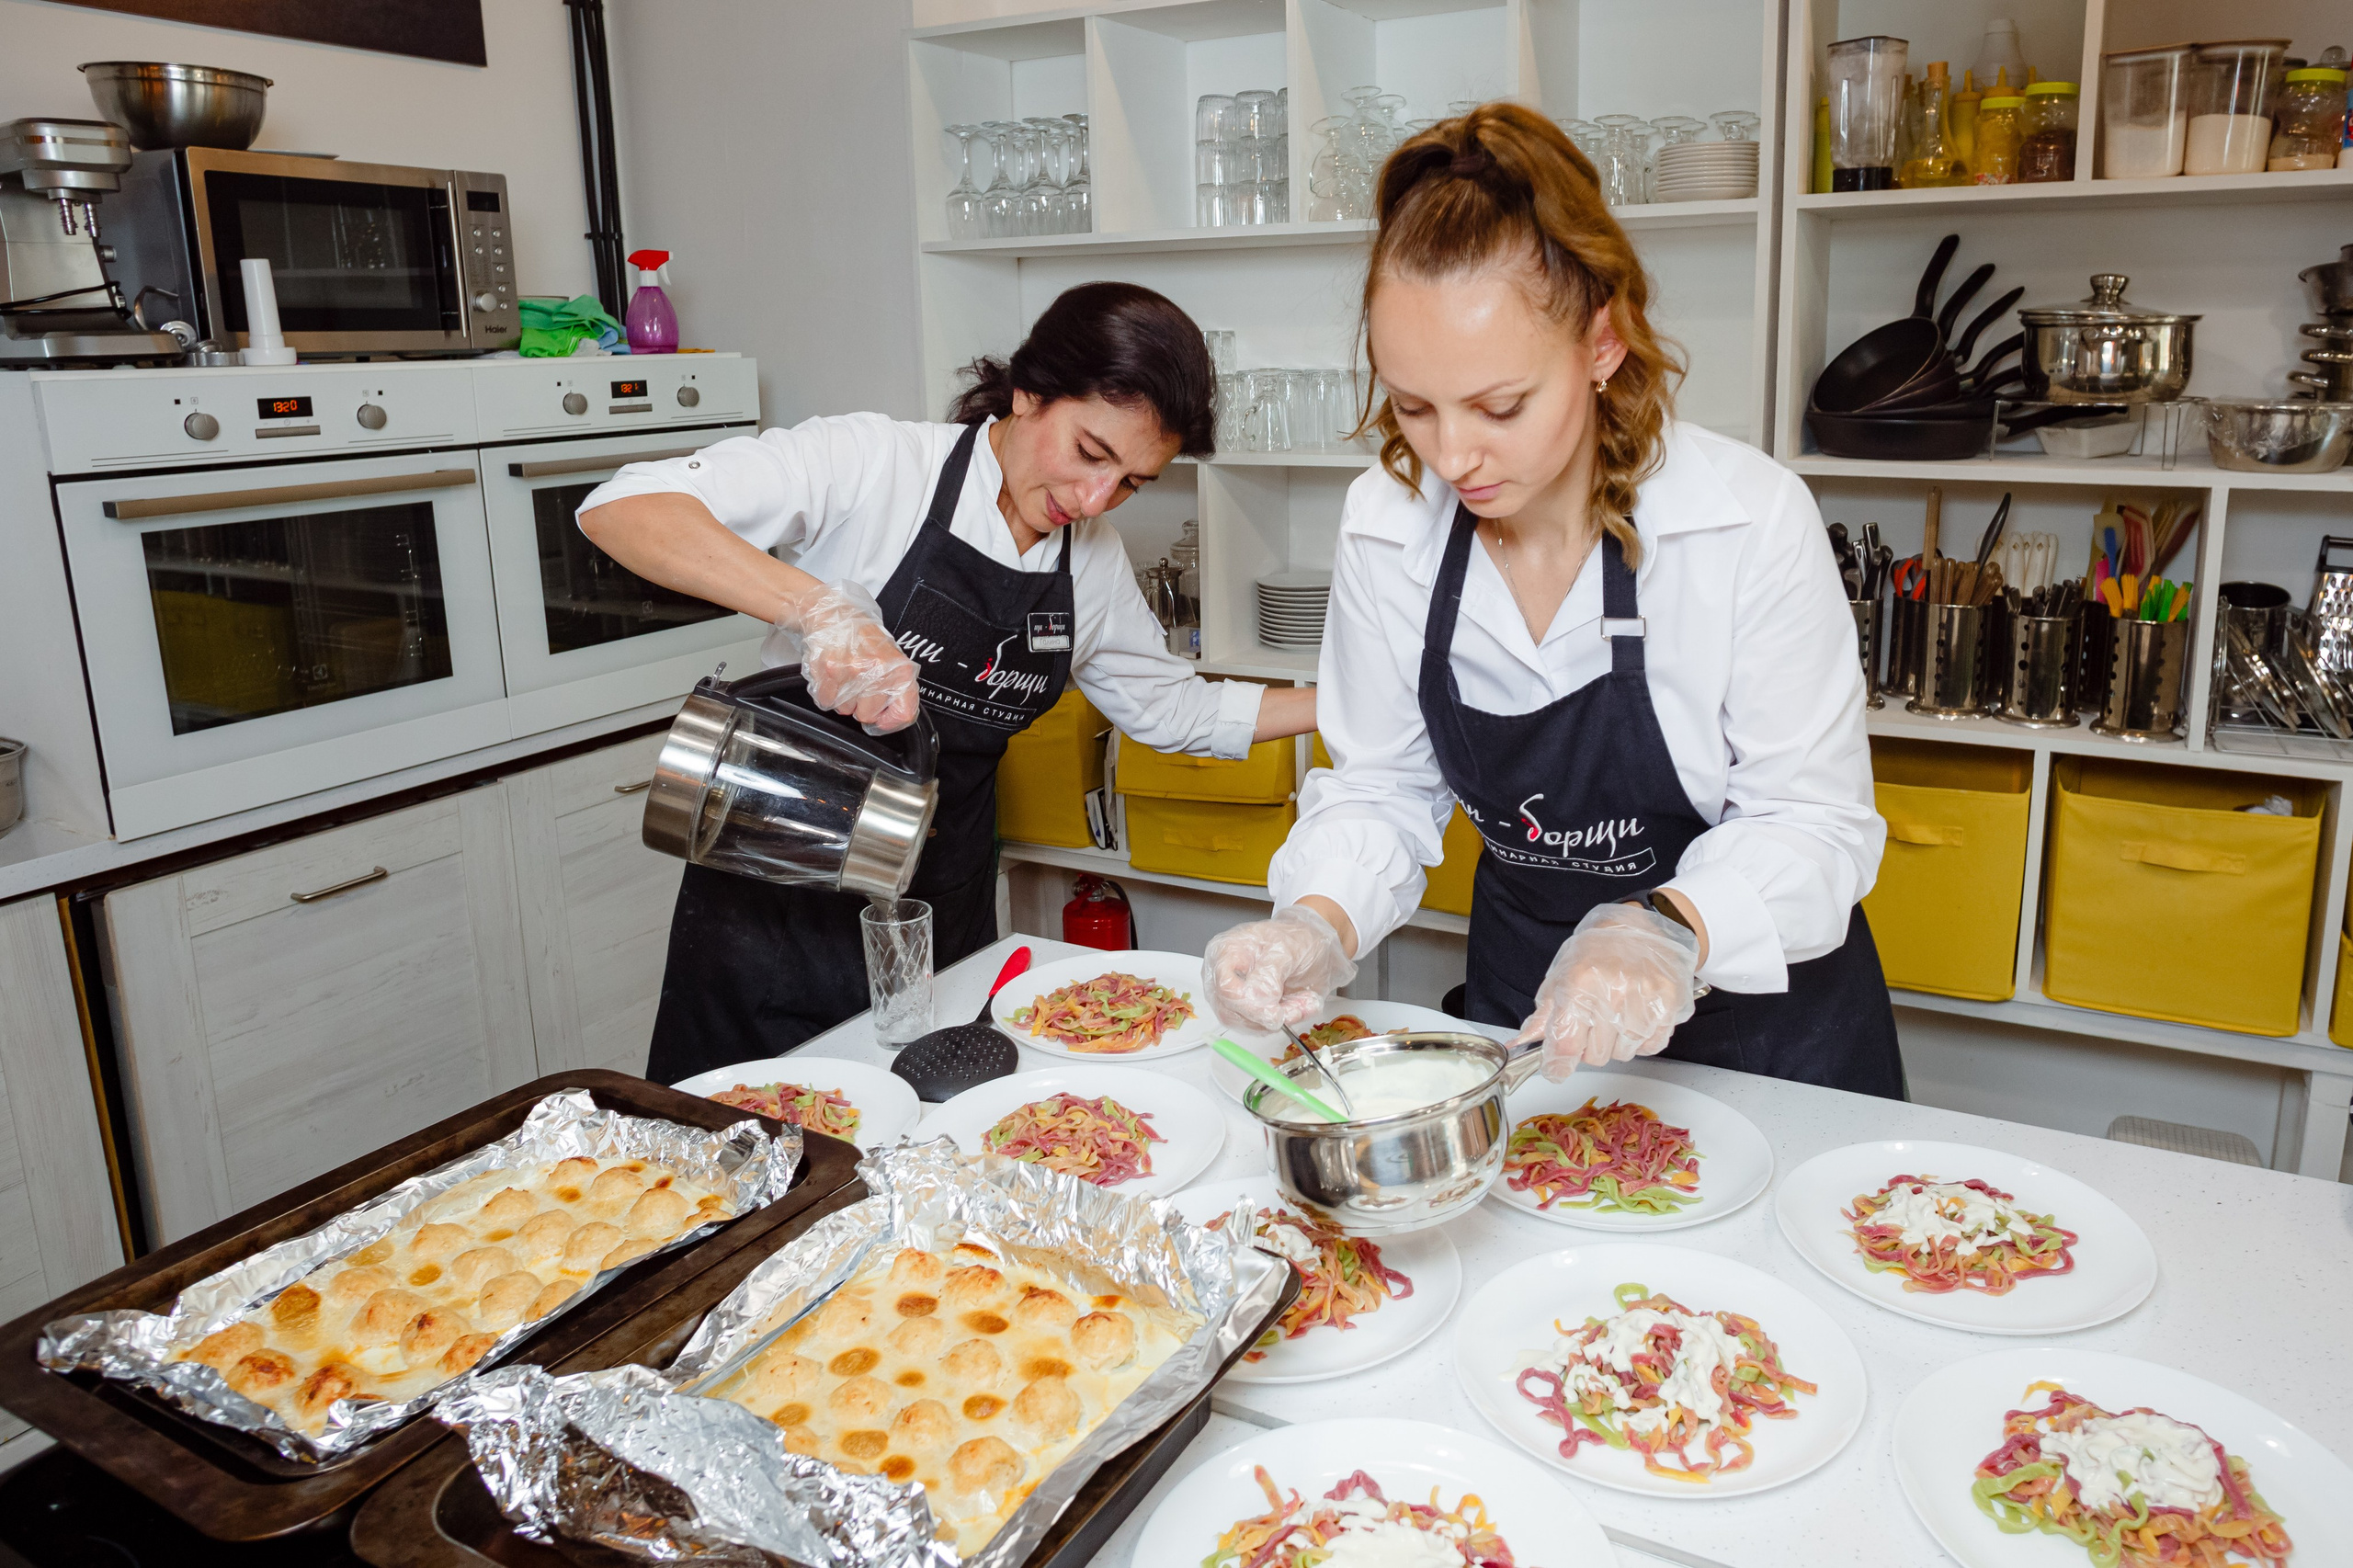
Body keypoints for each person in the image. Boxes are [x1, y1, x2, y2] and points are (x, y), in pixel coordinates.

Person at [1202, 106, 1901, 1096]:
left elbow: (1815, 822)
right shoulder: (1385, 525)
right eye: (1411, 406)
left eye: (1499, 406)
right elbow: (1382, 785)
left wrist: (1655, 926)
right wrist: (1313, 918)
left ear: (1602, 341)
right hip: (1529, 1017)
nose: (1451, 456)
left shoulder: (1742, 521)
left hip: (1765, 1035)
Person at [580, 281, 1316, 1081]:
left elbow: (1175, 709)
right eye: (1091, 453)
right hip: (772, 896)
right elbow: (625, 506)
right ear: (1029, 393)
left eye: (1133, 482)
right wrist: (822, 612)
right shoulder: (875, 465)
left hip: (938, 907)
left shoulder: (1092, 562)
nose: (1095, 499)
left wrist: (1352, 706)